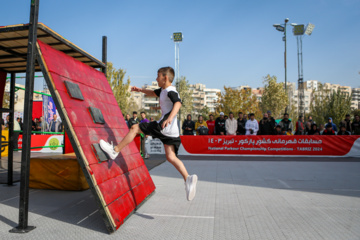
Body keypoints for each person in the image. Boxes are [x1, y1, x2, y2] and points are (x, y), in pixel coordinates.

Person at [99, 67, 197, 201]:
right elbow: (152, 93)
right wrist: (140, 90)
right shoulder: (163, 90)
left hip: (163, 126)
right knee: (170, 156)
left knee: (134, 127)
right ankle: (188, 179)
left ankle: (115, 150)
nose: (156, 79)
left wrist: (169, 118)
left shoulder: (170, 91)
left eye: (158, 76)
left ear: (165, 78)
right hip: (172, 132)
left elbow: (178, 103)